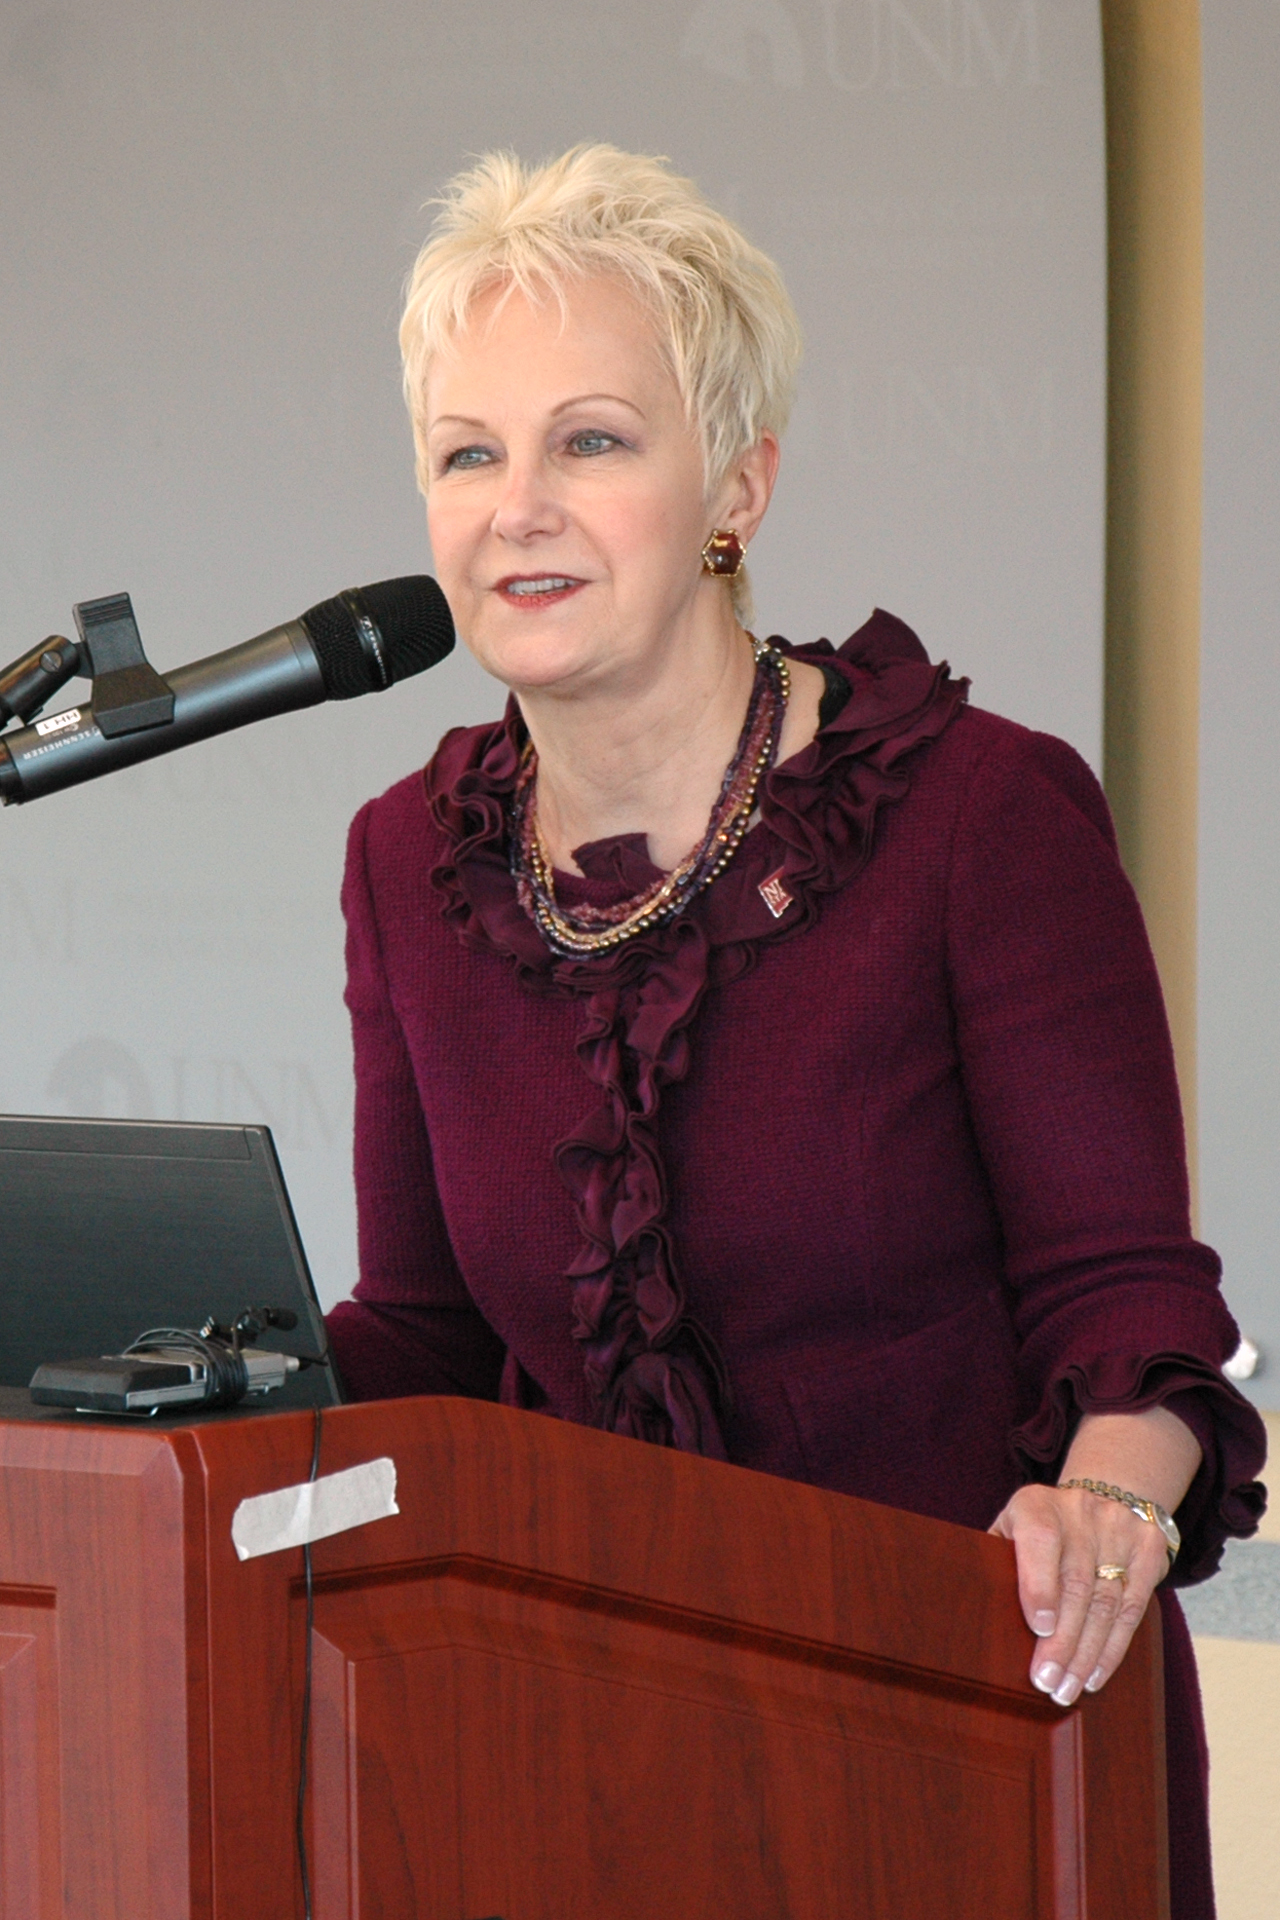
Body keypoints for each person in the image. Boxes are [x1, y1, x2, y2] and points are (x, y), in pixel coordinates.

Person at [326, 144, 1266, 1916]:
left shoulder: (980, 817)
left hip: (965, 1742)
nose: (519, 504)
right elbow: (431, 1337)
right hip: (579, 1767)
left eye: (592, 441)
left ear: (734, 487)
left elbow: (1131, 1312)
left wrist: (1113, 1510)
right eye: (470, 452)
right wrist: (149, 1396)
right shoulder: (407, 864)